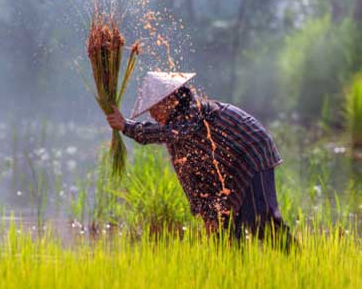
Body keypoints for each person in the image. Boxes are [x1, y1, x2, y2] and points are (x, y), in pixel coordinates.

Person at [106, 72, 293, 246]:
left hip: (251, 152)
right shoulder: (176, 134)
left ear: (170, 100)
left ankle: (294, 258)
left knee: (258, 219)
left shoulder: (191, 112)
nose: (153, 115)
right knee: (222, 229)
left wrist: (126, 126)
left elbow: (171, 132)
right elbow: (189, 175)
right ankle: (233, 274)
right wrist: (206, 211)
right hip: (227, 165)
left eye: (154, 108)